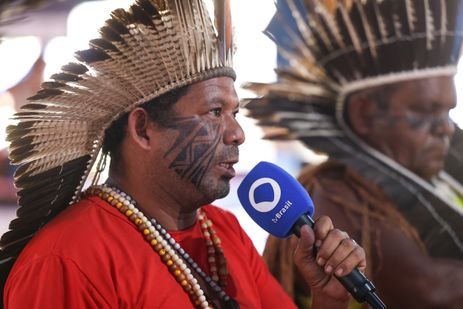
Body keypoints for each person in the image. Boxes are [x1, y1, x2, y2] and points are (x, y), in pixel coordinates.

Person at [0, 1, 367, 308]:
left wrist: (327, 298)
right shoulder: (67, 260)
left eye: (234, 113)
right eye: (213, 112)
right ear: (143, 129)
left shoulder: (225, 230)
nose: (237, 133)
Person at [243, 0, 463, 308]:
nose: (445, 129)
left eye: (447, 112)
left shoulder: (443, 176)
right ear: (364, 113)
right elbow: (431, 293)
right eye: (426, 111)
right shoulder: (336, 198)